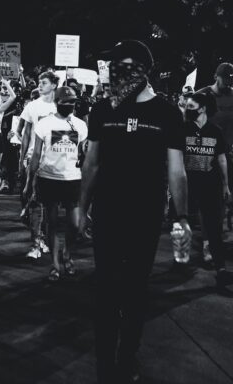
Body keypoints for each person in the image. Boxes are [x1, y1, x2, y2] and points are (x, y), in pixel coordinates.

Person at [72, 40, 188, 383]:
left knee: (136, 289)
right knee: (106, 290)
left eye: (119, 66)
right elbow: (91, 163)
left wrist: (182, 217)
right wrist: (82, 207)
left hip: (146, 216)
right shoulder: (103, 111)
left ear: (139, 69)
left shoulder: (167, 113)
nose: (112, 73)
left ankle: (128, 355)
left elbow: (177, 170)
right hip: (108, 214)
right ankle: (106, 365)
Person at [27, 86, 87, 282]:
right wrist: (29, 180)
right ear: (57, 102)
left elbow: (82, 154)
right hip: (48, 178)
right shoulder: (44, 124)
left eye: (72, 102)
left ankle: (67, 254)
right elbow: (36, 153)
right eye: (65, 102)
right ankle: (54, 264)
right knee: (51, 223)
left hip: (73, 179)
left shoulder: (80, 125)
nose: (69, 105)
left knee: (75, 224)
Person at [181, 90, 233, 285]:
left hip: (210, 185)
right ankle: (179, 260)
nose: (187, 110)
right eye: (186, 107)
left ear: (203, 108)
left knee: (213, 227)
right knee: (181, 223)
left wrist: (225, 185)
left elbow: (221, 159)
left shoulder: (215, 131)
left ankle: (221, 268)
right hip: (188, 185)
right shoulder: (183, 129)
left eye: (191, 107)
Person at [17, 71, 59, 258]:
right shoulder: (32, 106)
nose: (40, 85)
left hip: (54, 159)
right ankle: (35, 242)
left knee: (49, 202)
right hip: (33, 157)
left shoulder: (61, 105)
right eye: (39, 82)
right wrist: (22, 157)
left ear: (54, 85)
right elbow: (26, 133)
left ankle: (43, 237)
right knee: (31, 199)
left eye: (44, 82)